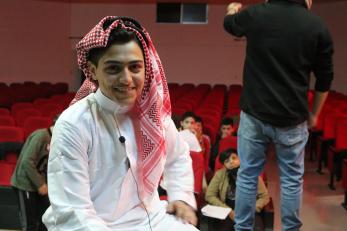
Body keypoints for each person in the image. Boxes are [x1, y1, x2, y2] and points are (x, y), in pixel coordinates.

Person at [42, 16, 198, 231]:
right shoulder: (74, 123)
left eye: (135, 67)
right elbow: (73, 210)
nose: (126, 79)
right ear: (93, 70)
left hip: (149, 218)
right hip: (90, 224)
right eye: (113, 69)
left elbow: (178, 156)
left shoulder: (153, 116)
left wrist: (181, 196)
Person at [223, 1, 334, 230]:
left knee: (247, 175)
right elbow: (325, 78)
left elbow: (230, 25)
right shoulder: (317, 26)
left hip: (255, 114)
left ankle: (243, 228)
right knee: (291, 180)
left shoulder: (257, 14)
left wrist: (232, 10)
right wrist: (314, 114)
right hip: (292, 118)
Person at [11, 116, 58, 231]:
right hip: (25, 183)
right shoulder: (41, 136)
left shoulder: (57, 140)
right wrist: (40, 184)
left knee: (44, 220)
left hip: (40, 184)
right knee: (30, 223)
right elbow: (27, 161)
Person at [205, 148, 269, 231]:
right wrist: (228, 210)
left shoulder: (251, 173)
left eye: (234, 158)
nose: (231, 162)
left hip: (249, 211)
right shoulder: (219, 175)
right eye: (227, 161)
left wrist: (251, 210)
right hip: (227, 211)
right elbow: (209, 195)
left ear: (240, 158)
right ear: (224, 165)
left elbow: (264, 196)